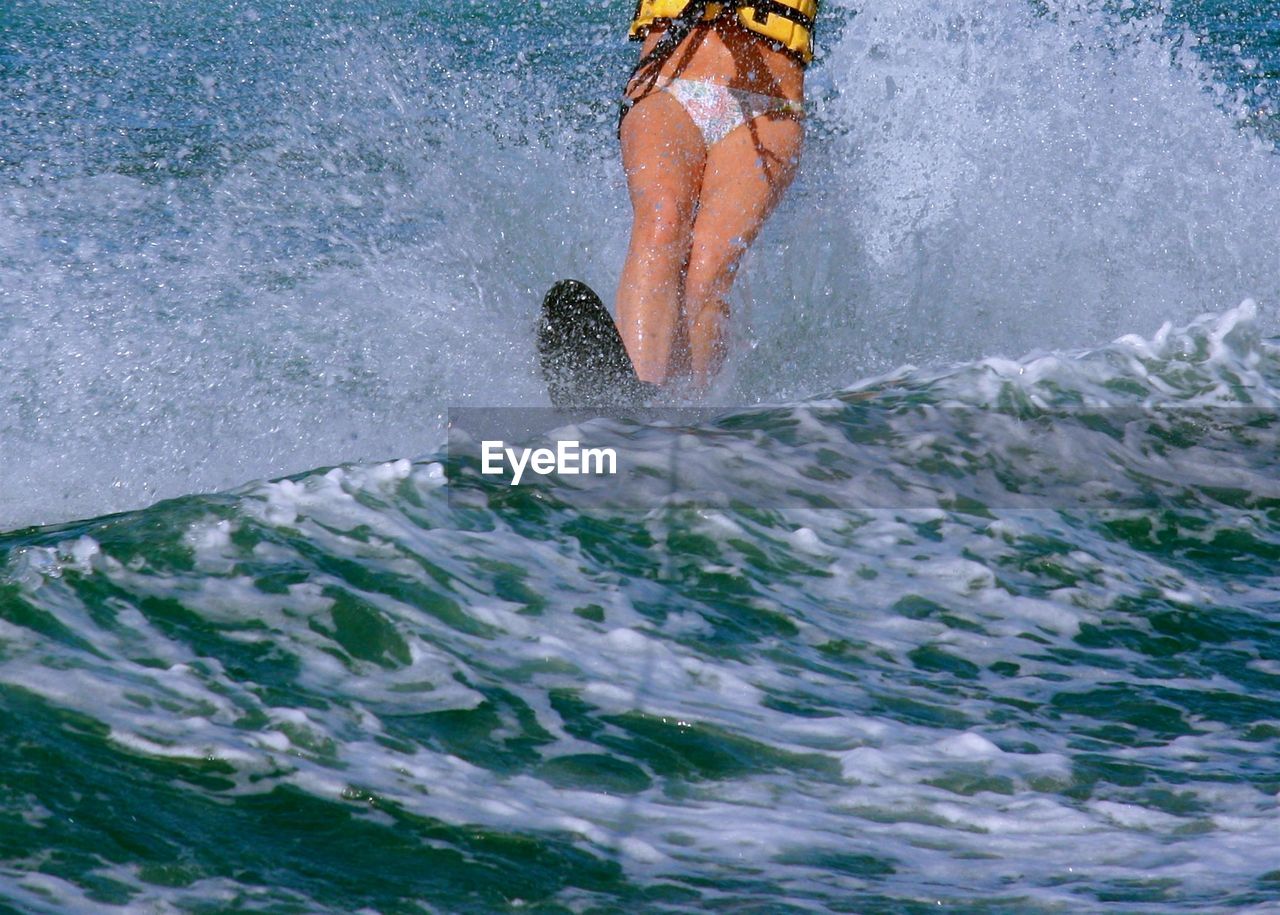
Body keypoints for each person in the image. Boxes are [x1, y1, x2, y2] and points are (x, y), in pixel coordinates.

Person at [613, 0, 817, 392]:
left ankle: (688, 413)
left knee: (708, 270)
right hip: (667, 88)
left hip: (767, 111)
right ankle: (636, 400)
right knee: (663, 219)